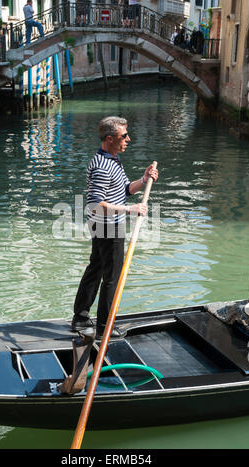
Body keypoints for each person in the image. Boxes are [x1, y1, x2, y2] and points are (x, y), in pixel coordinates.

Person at [72, 116, 158, 340]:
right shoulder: (103, 166)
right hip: (107, 227)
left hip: (104, 225)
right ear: (109, 139)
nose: (128, 139)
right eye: (124, 136)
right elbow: (95, 204)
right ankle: (104, 328)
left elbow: (125, 190)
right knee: (112, 277)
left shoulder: (113, 160)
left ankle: (81, 318)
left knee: (96, 269)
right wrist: (131, 210)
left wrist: (144, 178)